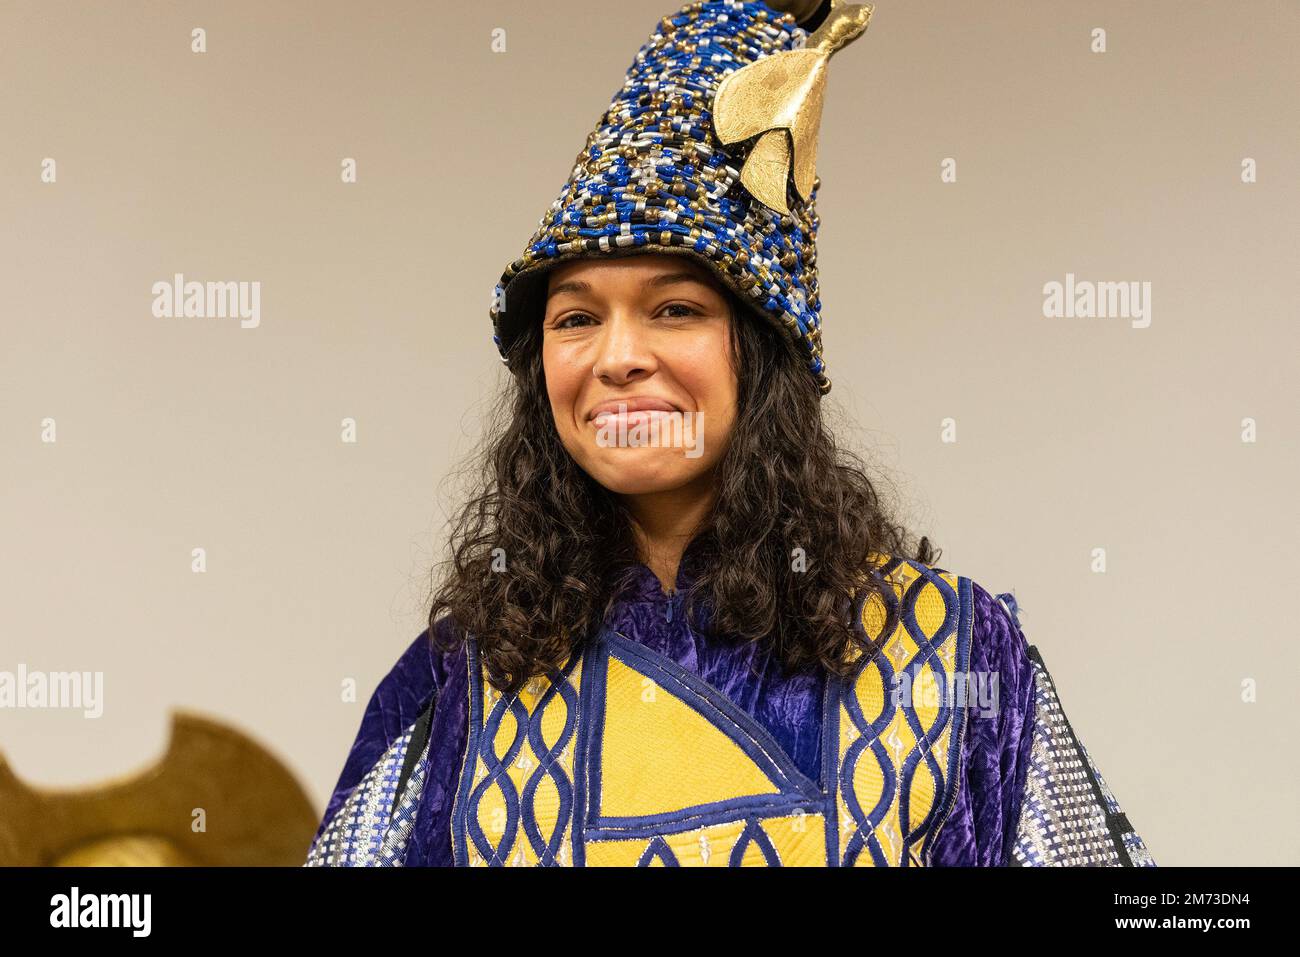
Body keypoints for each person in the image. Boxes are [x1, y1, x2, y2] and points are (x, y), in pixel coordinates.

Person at [305, 0, 1154, 867]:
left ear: (761, 352)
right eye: (575, 319)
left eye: (675, 309)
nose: (618, 357)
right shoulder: (460, 682)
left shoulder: (951, 654)